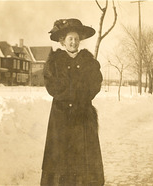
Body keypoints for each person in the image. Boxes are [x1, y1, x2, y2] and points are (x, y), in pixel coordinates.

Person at [41, 18, 104, 186]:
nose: (73, 42)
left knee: (83, 156)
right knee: (60, 157)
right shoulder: (54, 62)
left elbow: (95, 84)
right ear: (63, 41)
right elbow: (51, 86)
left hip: (82, 117)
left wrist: (82, 97)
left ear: (80, 40)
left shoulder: (89, 62)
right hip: (60, 117)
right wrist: (69, 95)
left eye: (76, 39)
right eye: (70, 39)